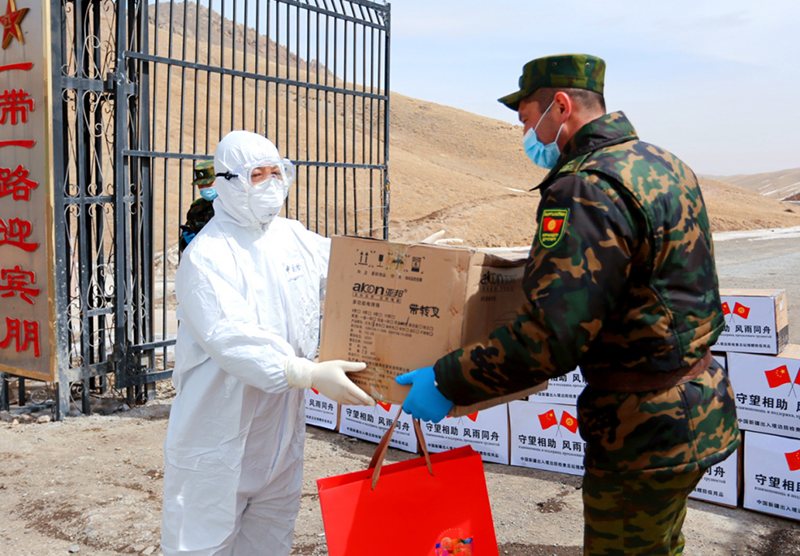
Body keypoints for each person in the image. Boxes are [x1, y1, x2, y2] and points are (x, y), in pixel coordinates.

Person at [397, 54, 740, 556]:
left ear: (560, 106)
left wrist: (449, 379)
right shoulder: (661, 162)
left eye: (526, 119)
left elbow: (550, 337)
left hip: (643, 432)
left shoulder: (584, 186)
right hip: (697, 408)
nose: (525, 135)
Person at [161, 130, 375, 556]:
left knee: (271, 540)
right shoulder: (207, 256)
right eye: (257, 174)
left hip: (279, 435)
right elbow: (232, 338)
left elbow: (350, 269)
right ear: (227, 182)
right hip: (216, 439)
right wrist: (308, 372)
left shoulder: (292, 236)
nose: (271, 182)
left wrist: (417, 273)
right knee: (202, 544)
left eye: (277, 172)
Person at [179, 159, 217, 254]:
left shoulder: (233, 205)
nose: (204, 188)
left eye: (208, 184)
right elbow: (183, 244)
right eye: (200, 185)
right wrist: (187, 241)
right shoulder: (197, 208)